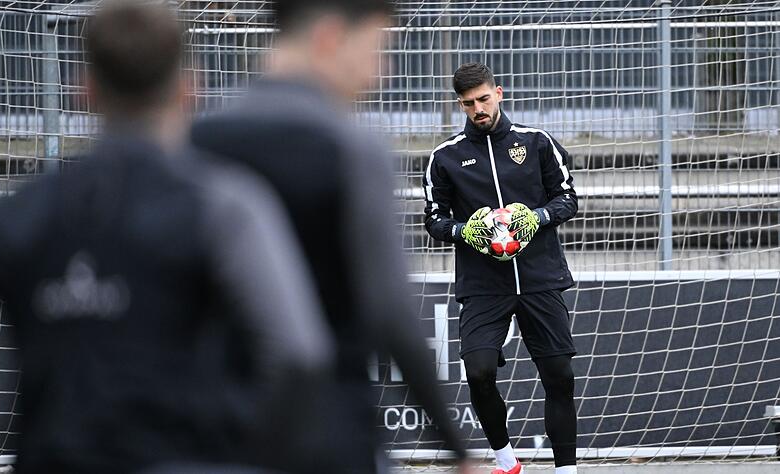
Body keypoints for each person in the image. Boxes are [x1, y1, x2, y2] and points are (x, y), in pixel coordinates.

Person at [0, 2, 333, 473]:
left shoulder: (12, 214)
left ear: (84, 90)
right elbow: (298, 353)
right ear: (189, 87)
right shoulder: (225, 208)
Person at [191, 1, 471, 473]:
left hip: (213, 435)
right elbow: (391, 314)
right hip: (328, 433)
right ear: (330, 36)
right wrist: (455, 447)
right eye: (379, 48)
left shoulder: (195, 143)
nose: (380, 72)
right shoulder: (350, 150)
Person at [422, 62, 579, 474]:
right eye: (469, 103)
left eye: (484, 99)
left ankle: (567, 470)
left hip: (540, 277)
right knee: (478, 372)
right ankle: (507, 461)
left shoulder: (538, 142)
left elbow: (567, 199)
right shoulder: (445, 157)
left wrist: (536, 219)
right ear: (460, 105)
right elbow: (433, 219)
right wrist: (465, 229)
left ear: (499, 93)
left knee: (559, 375)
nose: (478, 109)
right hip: (483, 284)